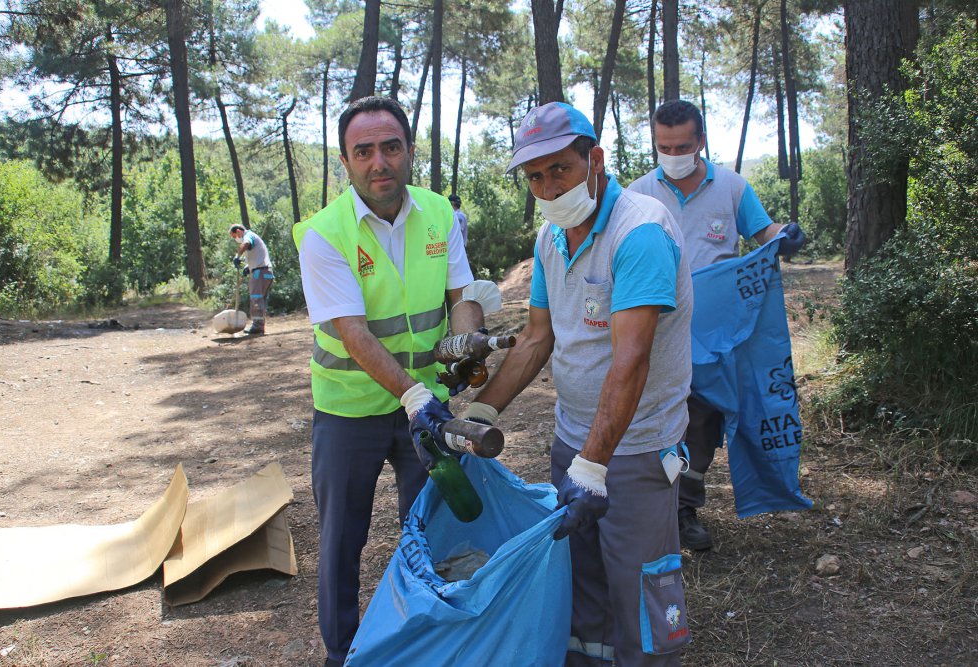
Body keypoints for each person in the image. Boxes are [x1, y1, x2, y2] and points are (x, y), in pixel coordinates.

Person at [462, 102, 694, 666]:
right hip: (573, 442)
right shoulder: (552, 236)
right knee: (582, 585)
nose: (547, 187)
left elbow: (631, 360)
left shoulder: (638, 232)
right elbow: (538, 337)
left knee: (641, 589)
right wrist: (482, 413)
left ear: (595, 159)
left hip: (636, 450)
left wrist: (593, 468)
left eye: (559, 170)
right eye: (535, 177)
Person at [292, 96, 484, 667]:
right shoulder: (322, 233)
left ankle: (431, 640)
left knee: (434, 526)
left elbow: (462, 297)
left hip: (426, 405)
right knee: (342, 539)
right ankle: (340, 652)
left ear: (409, 152)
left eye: (391, 147)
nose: (380, 162)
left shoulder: (440, 215)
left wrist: (466, 343)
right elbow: (352, 331)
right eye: (364, 151)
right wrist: (415, 393)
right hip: (350, 411)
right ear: (346, 163)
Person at [627, 99, 806, 551]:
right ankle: (653, 508)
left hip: (714, 335)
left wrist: (784, 236)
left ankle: (685, 509)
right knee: (657, 414)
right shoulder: (638, 192)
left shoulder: (731, 188)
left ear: (700, 141)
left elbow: (763, 233)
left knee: (702, 419)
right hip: (657, 328)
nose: (672, 154)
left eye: (681, 145)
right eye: (663, 146)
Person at [229, 224, 274, 335]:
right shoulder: (253, 236)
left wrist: (237, 256)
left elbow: (246, 244)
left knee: (256, 299)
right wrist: (248, 267)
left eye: (234, 236)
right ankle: (259, 325)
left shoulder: (248, 236)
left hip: (260, 273)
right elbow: (258, 255)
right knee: (260, 300)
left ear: (239, 231)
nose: (236, 239)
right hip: (265, 272)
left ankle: (257, 327)